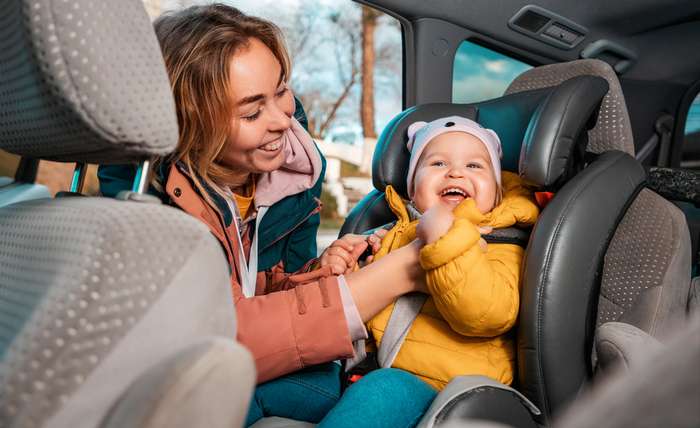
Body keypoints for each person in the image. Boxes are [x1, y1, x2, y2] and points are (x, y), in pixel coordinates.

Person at [97, 5, 432, 427]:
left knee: (387, 388)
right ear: (192, 124)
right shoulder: (153, 201)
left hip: (274, 362)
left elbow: (261, 288)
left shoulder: (291, 176)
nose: (284, 120)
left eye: (282, 89)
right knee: (395, 391)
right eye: (252, 112)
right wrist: (400, 271)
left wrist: (322, 273)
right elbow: (220, 329)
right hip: (188, 371)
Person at [321, 116, 540, 392]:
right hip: (364, 369)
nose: (455, 173)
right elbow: (362, 310)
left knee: (381, 388)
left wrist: (444, 238)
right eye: (438, 163)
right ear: (412, 189)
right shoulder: (392, 233)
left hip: (444, 388)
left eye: (474, 165)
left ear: (496, 194)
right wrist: (341, 269)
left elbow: (486, 314)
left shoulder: (502, 241)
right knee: (277, 385)